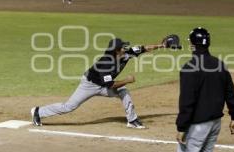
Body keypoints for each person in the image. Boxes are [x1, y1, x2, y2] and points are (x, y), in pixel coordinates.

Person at [31, 38, 165, 129]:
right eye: (122, 47)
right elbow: (110, 85)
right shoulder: (105, 63)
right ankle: (38, 112)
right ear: (117, 50)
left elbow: (143, 48)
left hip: (103, 85)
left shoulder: (126, 53)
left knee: (124, 91)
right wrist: (127, 80)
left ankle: (132, 120)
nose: (126, 48)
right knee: (69, 106)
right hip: (89, 85)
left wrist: (161, 45)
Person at [176, 27, 234, 152]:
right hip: (215, 123)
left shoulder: (189, 68)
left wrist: (182, 127)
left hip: (198, 125)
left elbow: (187, 101)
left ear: (192, 44)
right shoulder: (219, 64)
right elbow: (230, 93)